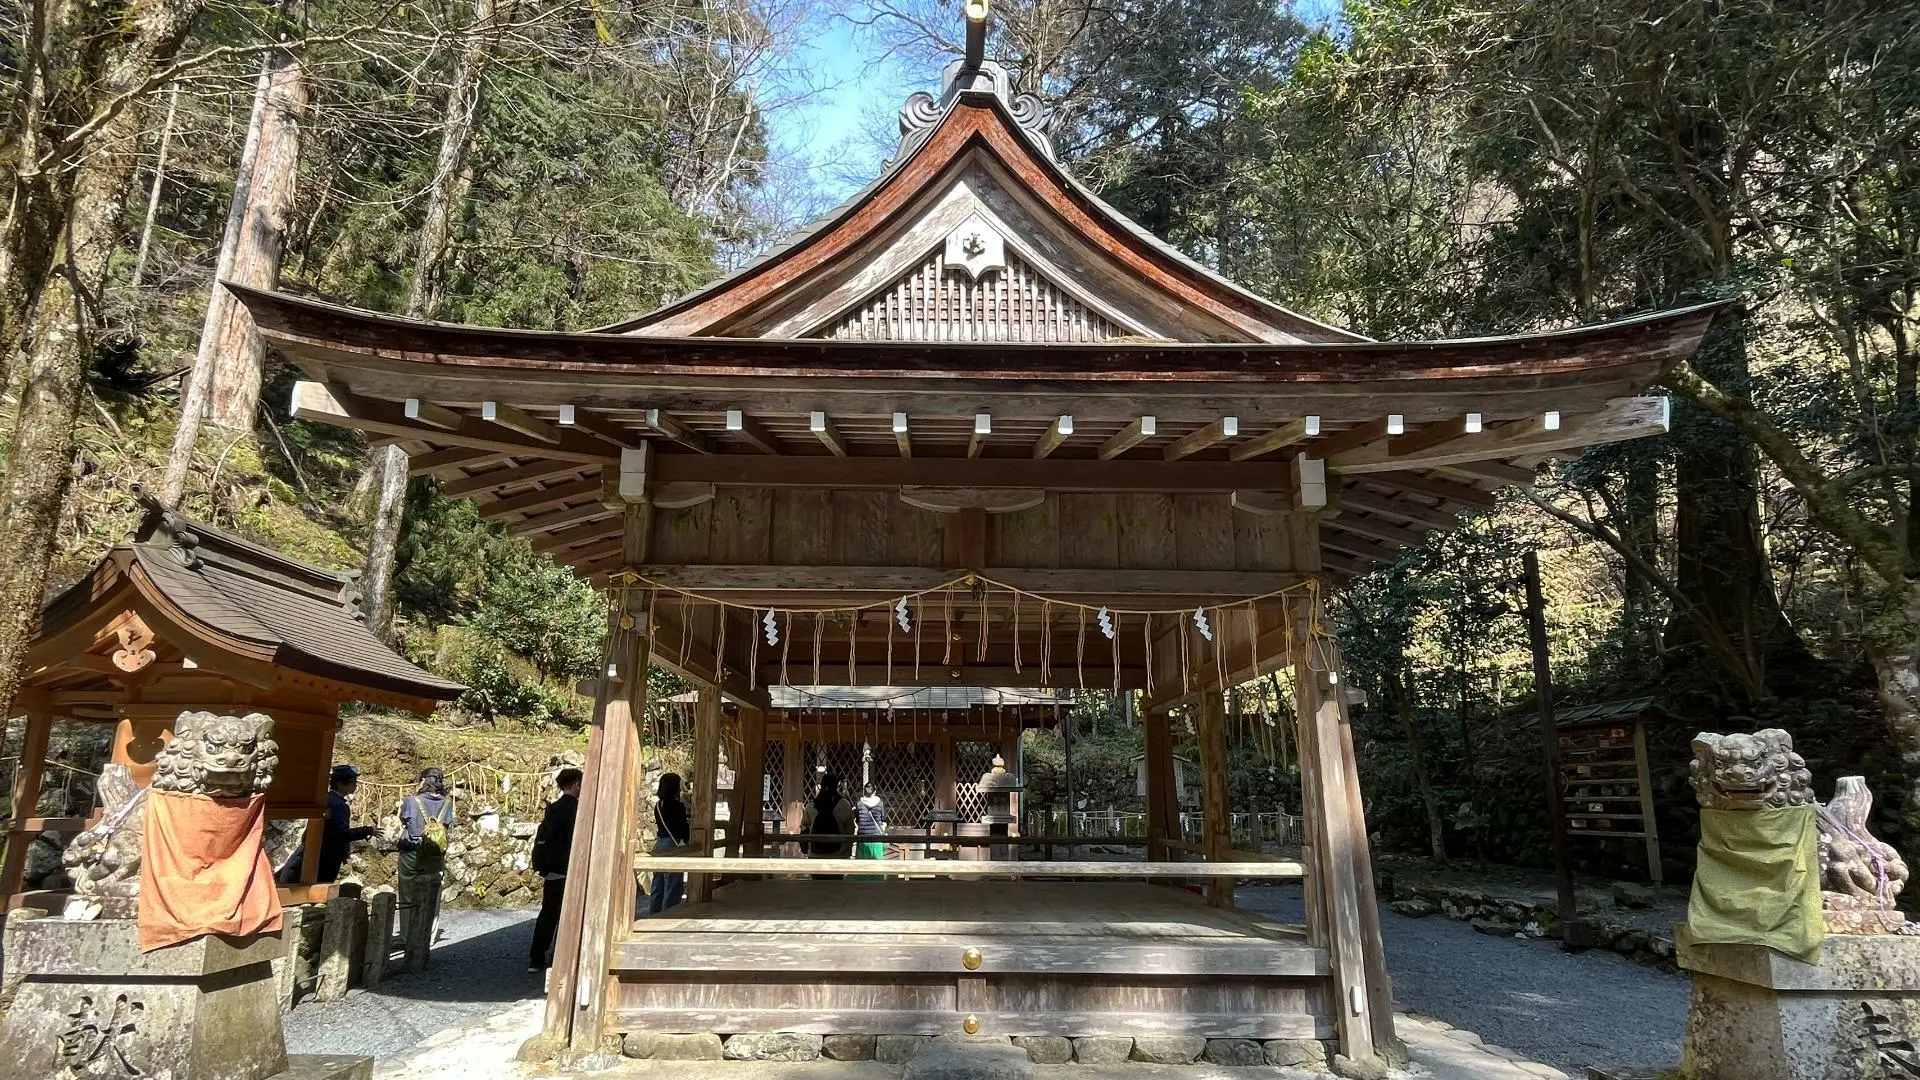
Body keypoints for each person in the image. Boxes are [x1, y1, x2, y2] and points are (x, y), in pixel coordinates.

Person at [527, 767, 582, 972]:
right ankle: (564, 956)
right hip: (568, 867)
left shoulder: (553, 808)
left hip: (550, 867)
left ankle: (536, 957)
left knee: (548, 913)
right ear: (577, 784)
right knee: (571, 913)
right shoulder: (576, 809)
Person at [398, 767, 455, 946]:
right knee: (433, 894)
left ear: (423, 781)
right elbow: (447, 825)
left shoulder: (412, 801)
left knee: (408, 893)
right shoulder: (447, 803)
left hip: (412, 853)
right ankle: (428, 936)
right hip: (436, 853)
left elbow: (404, 821)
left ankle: (408, 936)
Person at [648, 773, 690, 914]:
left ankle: (654, 913)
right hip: (673, 844)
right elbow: (682, 828)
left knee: (658, 884)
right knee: (672, 884)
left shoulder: (658, 805)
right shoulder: (678, 806)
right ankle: (669, 914)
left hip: (659, 844)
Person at [801, 772, 855, 877]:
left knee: (815, 887)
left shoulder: (811, 805)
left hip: (815, 852)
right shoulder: (844, 804)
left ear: (821, 785)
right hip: (838, 854)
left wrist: (806, 849)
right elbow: (850, 831)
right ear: (837, 785)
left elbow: (804, 828)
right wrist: (847, 852)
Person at [854, 784, 887, 861]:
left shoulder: (859, 803)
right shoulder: (880, 803)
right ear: (875, 791)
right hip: (877, 839)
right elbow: (883, 818)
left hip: (863, 839)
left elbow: (858, 819)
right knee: (877, 868)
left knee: (862, 868)